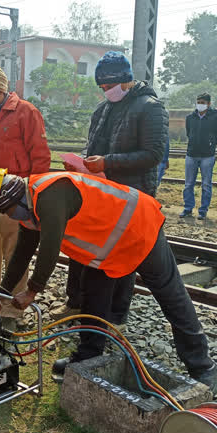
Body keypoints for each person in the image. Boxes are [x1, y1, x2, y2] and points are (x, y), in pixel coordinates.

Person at [0, 168, 217, 392]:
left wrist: (32, 291)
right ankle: (89, 357)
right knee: (94, 296)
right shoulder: (29, 206)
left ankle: (203, 367)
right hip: (108, 248)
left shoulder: (49, 195)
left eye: (7, 211)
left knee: (171, 295)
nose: (9, 216)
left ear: (13, 198)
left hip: (140, 228)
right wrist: (1, 294)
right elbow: (23, 252)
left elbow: (49, 248)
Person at [61, 51, 168, 330]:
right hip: (99, 192)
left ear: (124, 80)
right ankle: (76, 304)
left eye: (109, 86)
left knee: (122, 256)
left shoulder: (150, 107)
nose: (106, 92)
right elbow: (93, 145)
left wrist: (108, 163)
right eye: (103, 88)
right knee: (83, 249)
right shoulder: (103, 109)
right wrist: (83, 164)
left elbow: (153, 154)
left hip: (132, 194)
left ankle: (116, 316)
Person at [0, 66, 51, 308]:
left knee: (15, 252)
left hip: (16, 197)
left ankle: (11, 310)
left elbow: (40, 157)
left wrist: (34, 196)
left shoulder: (26, 112)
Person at [180, 93, 217, 220]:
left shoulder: (216, 118)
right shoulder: (190, 118)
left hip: (207, 156)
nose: (200, 104)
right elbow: (189, 133)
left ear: (209, 104)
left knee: (206, 184)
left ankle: (203, 210)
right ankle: (188, 208)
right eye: (198, 102)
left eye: (203, 102)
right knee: (188, 184)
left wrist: (210, 144)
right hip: (191, 154)